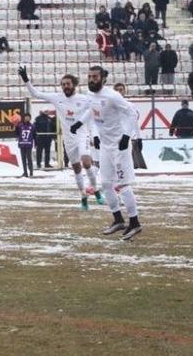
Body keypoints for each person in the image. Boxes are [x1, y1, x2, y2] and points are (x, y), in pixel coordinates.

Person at [71, 66, 141, 240]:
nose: (91, 79)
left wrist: (126, 136)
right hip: (105, 146)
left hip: (120, 146)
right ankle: (118, 219)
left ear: (103, 78)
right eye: (89, 76)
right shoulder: (90, 94)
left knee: (123, 185)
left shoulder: (113, 96)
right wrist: (79, 123)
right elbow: (91, 111)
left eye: (95, 76)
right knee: (107, 184)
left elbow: (133, 113)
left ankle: (135, 223)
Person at [19, 68, 105, 208]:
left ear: (74, 85)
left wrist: (94, 134)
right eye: (63, 84)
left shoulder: (83, 99)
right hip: (68, 139)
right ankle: (83, 195)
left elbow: (91, 115)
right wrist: (26, 79)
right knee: (76, 168)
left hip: (82, 136)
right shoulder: (57, 97)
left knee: (86, 162)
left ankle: (95, 189)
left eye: (68, 84)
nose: (66, 86)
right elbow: (35, 93)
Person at [15, 113, 35, 178]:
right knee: (23, 159)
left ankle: (31, 172)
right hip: (22, 144)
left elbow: (34, 135)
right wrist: (15, 126)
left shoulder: (32, 126)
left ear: (30, 118)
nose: (27, 118)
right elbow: (17, 133)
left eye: (28, 117)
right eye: (26, 117)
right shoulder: (20, 125)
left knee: (29, 158)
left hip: (29, 144)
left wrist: (36, 144)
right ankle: (25, 172)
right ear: (24, 118)